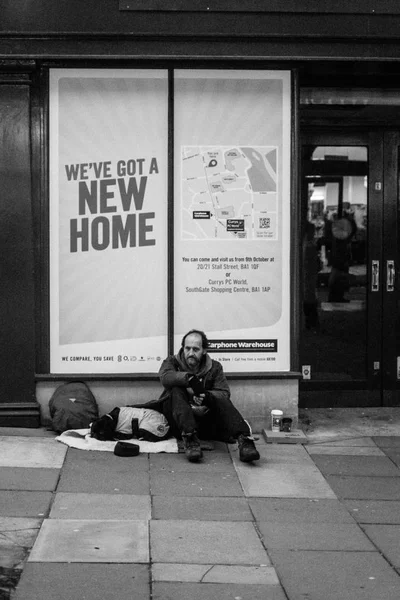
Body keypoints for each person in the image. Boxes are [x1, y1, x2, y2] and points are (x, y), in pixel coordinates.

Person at [153, 329, 260, 463]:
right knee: (176, 388)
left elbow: (224, 393)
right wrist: (189, 381)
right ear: (183, 348)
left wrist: (206, 396)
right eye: (187, 348)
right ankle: (190, 441)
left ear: (204, 350)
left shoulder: (214, 367)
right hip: (178, 423)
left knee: (221, 399)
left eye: (196, 349)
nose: (190, 353)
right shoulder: (172, 362)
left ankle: (245, 441)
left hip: (204, 421)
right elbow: (165, 377)